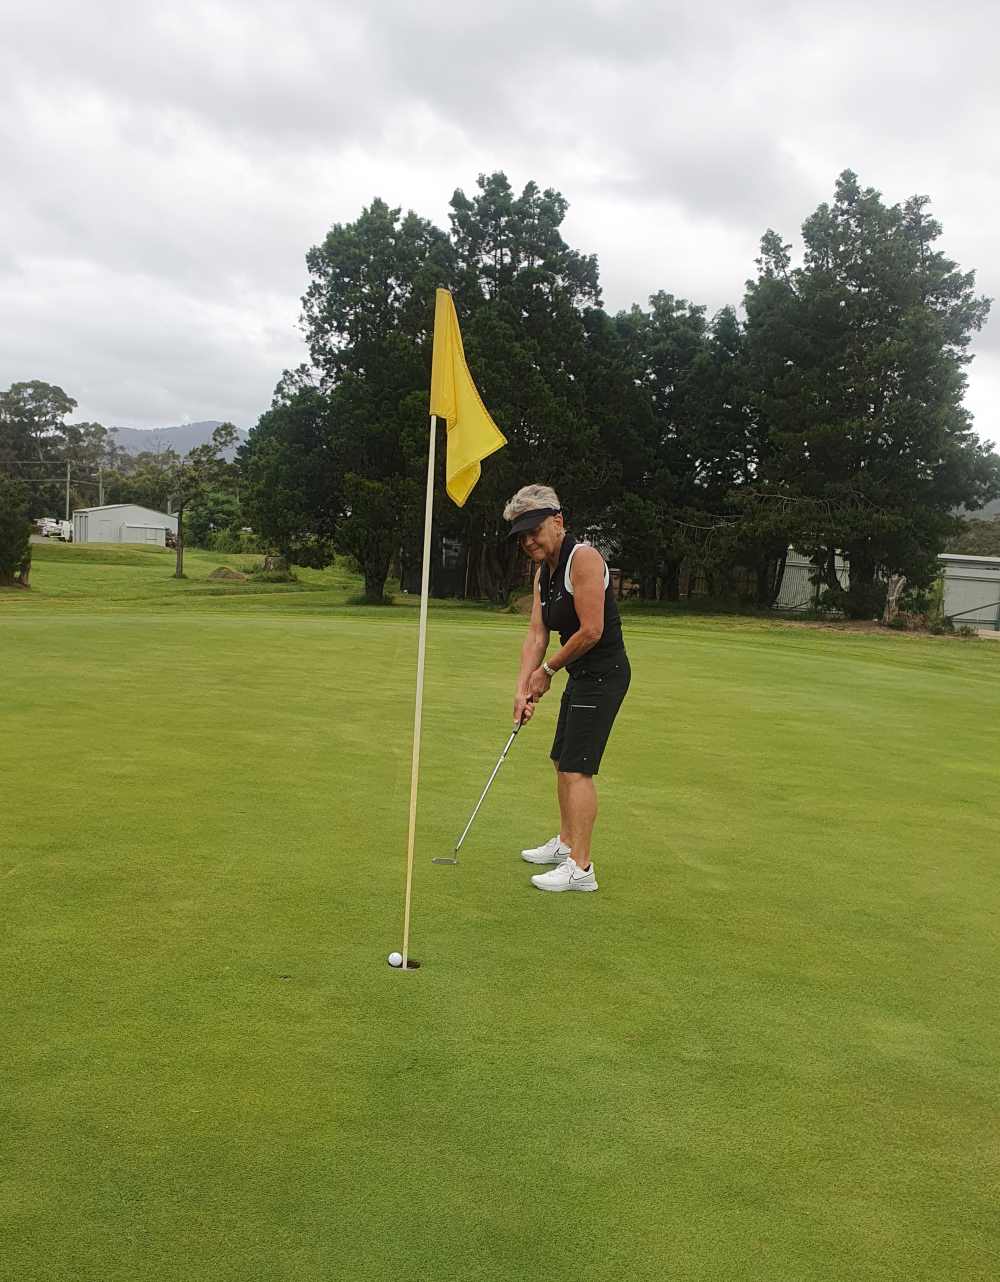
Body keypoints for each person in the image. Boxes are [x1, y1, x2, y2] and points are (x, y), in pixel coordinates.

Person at [505, 484, 631, 892]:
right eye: (521, 536)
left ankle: (581, 867)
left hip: (604, 673)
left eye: (534, 530)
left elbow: (592, 630)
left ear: (558, 521)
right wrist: (523, 686)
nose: (528, 541)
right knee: (562, 759)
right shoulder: (546, 572)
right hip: (581, 674)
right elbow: (537, 633)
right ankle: (565, 844)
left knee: (578, 768)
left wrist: (548, 670)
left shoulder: (585, 559)